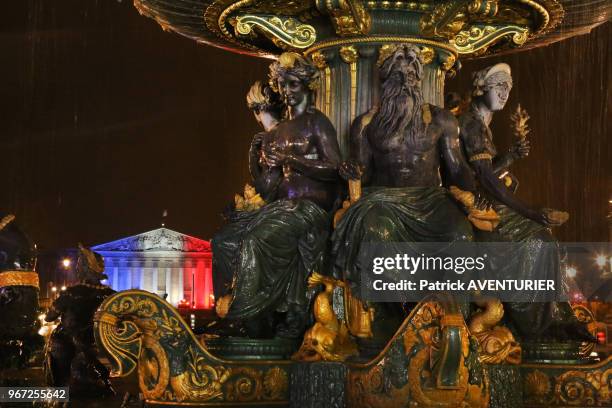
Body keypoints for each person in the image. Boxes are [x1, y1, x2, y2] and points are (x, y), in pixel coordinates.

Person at [332, 44, 480, 347]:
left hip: (431, 201)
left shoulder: (441, 120)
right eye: (398, 75)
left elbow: (457, 168)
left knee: (460, 235)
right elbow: (364, 170)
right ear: (384, 80)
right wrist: (352, 170)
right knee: (375, 231)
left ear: (420, 80)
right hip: (384, 200)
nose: (406, 80)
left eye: (412, 75)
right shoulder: (365, 125)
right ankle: (401, 315)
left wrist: (476, 193)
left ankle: (452, 316)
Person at [458, 63, 594, 342]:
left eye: (508, 87)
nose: (505, 93)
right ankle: (536, 327)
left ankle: (553, 318)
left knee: (547, 243)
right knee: (541, 243)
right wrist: (531, 212)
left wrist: (509, 157)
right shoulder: (471, 123)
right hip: (471, 206)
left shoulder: (481, 122)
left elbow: (483, 172)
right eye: (499, 86)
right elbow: (483, 176)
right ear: (482, 86)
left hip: (482, 202)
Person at [212, 52, 342, 339]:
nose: (287, 92)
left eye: (293, 84)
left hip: (309, 208)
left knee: (256, 240)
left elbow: (334, 169)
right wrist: (257, 164)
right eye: (283, 85)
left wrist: (293, 160)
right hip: (280, 208)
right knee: (223, 241)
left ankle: (243, 316)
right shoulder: (276, 132)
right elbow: (268, 186)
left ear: (308, 85)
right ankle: (251, 318)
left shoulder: (315, 123)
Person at [45, 244, 115, 396]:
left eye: (79, 266)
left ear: (85, 269)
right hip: (98, 341)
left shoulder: (71, 293)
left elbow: (50, 317)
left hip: (70, 340)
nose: (76, 269)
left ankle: (58, 390)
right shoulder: (110, 295)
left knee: (56, 350)